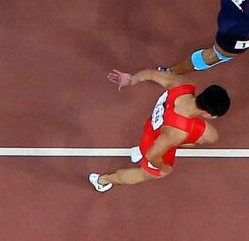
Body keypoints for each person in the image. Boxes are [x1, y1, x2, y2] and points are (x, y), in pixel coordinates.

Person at [92, 68, 228, 193]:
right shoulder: (178, 133)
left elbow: (149, 73)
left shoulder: (182, 83)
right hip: (153, 142)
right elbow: (152, 155)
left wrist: (132, 79)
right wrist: (164, 169)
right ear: (208, 114)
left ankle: (141, 150)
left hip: (159, 125)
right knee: (148, 173)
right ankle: (102, 180)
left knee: (212, 136)